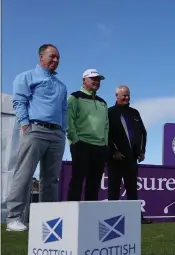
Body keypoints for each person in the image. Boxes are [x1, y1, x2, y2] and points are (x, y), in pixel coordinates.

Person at [5, 44, 67, 232]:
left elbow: (63, 110)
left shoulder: (61, 85)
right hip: (35, 129)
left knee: (51, 179)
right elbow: (20, 101)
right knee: (24, 174)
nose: (55, 60)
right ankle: (14, 217)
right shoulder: (26, 77)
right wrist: (25, 124)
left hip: (57, 134)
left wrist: (63, 130)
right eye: (52, 56)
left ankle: (47, 219)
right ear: (41, 56)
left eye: (58, 58)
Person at [107, 85, 152, 224]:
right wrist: (114, 151)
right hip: (115, 158)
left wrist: (142, 151)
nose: (126, 98)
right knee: (114, 190)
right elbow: (105, 135)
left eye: (128, 95)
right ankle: (111, 218)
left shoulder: (134, 113)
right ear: (116, 96)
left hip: (132, 158)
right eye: (123, 95)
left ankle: (137, 218)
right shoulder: (109, 112)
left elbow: (143, 132)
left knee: (132, 189)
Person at [66, 69, 109, 201]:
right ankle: (72, 213)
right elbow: (69, 119)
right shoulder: (74, 97)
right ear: (84, 80)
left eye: (98, 79)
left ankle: (91, 215)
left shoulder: (103, 102)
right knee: (78, 179)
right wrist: (75, 139)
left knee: (94, 182)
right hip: (81, 143)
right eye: (93, 79)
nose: (96, 81)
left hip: (100, 146)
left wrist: (105, 143)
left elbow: (106, 125)